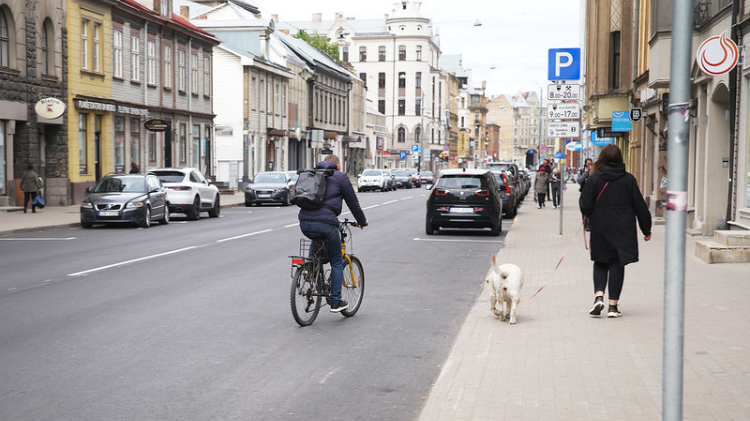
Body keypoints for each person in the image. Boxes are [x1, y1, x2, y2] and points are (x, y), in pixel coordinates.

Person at [580, 144, 652, 318]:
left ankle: (598, 296)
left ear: (602, 158)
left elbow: (585, 204)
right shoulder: (628, 179)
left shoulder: (595, 178)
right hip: (623, 227)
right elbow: (640, 206)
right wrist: (646, 228)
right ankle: (613, 307)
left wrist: (590, 216)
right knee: (617, 264)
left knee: (600, 261)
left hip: (601, 226)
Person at [298, 154, 368, 313]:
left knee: (316, 236)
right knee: (337, 261)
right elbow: (353, 204)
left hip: (304, 222)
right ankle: (336, 301)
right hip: (327, 224)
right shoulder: (340, 177)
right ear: (337, 166)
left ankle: (309, 267)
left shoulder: (313, 175)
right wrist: (362, 221)